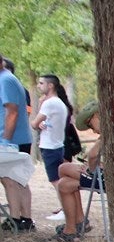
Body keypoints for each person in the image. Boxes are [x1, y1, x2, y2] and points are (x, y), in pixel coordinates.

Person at [52, 101, 100, 242]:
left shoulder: (108, 133)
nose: (93, 130)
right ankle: (75, 225)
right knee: (64, 185)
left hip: (104, 179)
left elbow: (93, 155)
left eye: (90, 124)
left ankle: (75, 225)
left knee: (63, 168)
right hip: (108, 176)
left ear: (97, 115)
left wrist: (91, 169)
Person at [0, 53, 35, 231]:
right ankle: (17, 218)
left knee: (15, 178)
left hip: (13, 140)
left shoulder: (5, 80)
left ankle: (23, 218)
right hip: (12, 139)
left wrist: (5, 141)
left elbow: (12, 112)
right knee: (11, 179)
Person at [33, 74, 72, 223]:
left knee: (56, 181)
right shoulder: (59, 103)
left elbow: (34, 123)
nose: (38, 85)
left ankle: (65, 210)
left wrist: (38, 123)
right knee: (58, 180)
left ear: (50, 86)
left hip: (50, 146)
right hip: (57, 144)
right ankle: (65, 209)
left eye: (41, 83)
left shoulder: (49, 103)